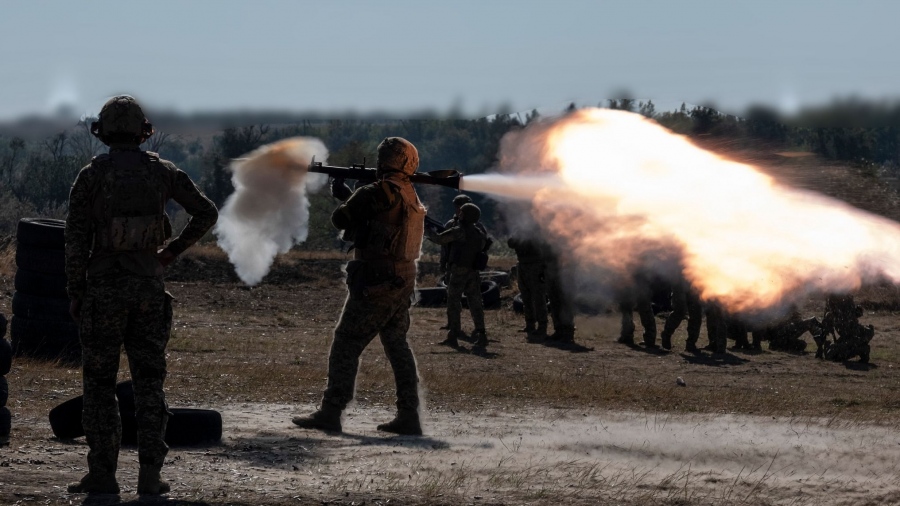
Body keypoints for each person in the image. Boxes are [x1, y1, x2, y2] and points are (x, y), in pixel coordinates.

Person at [64, 95, 218, 495]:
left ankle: (102, 473)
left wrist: (76, 291)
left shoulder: (91, 176)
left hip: (103, 291)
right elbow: (206, 212)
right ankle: (150, 476)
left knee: (99, 386)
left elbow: (76, 239)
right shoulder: (163, 172)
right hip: (149, 290)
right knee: (150, 384)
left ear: (104, 132)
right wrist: (170, 253)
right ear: (143, 131)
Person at [293, 137, 426, 435]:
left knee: (346, 343)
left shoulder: (376, 191)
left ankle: (331, 411)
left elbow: (340, 219)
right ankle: (409, 414)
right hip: (402, 278)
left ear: (382, 161)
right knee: (396, 344)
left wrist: (344, 194)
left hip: (376, 279)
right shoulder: (409, 192)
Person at [426, 203, 489, 348]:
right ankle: (481, 334)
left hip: (459, 272)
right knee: (475, 304)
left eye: (462, 213)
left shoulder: (459, 230)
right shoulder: (478, 232)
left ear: (466, 216)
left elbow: (439, 239)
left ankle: (453, 335)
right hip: (473, 272)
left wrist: (427, 230)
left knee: (453, 303)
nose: (459, 215)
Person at [507, 235, 549, 340]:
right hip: (522, 265)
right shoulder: (520, 229)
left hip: (536, 265)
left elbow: (543, 245)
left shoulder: (537, 230)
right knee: (526, 297)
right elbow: (510, 243)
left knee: (538, 297)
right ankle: (530, 325)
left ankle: (542, 326)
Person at [660, 280, 703, 352]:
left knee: (696, 314)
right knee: (679, 312)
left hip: (695, 283)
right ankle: (666, 334)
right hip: (679, 283)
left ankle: (691, 343)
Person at [544, 249, 576, 343]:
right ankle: (558, 330)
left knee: (565, 302)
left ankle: (568, 332)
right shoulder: (548, 238)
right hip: (551, 269)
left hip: (565, 271)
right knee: (554, 301)